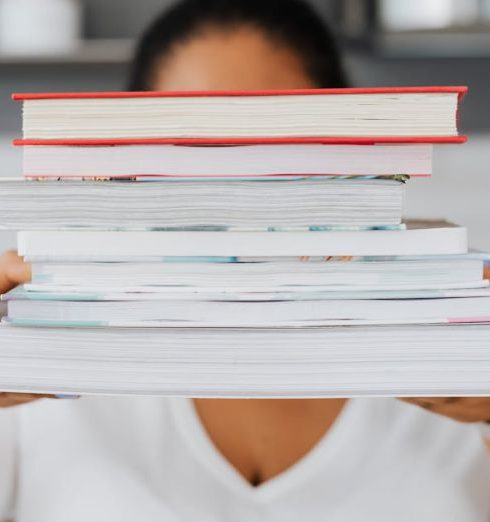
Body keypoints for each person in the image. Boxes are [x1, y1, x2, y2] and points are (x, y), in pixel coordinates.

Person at [1, 0, 490, 520]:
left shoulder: (453, 362)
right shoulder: (39, 364)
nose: (236, 201)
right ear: (125, 160)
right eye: (190, 155)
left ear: (354, 153)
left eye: (271, 155)